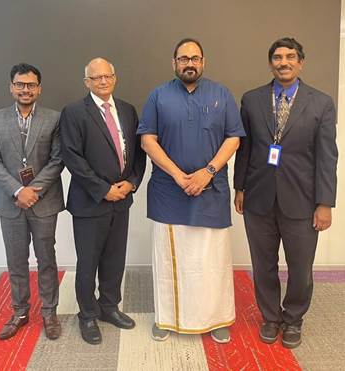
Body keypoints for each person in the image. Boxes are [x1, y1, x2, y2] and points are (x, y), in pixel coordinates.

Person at [138, 38, 245, 343]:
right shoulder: (158, 95)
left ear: (203, 62)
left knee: (211, 262)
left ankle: (216, 319)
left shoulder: (221, 94)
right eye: (183, 58)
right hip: (169, 192)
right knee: (169, 259)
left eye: (195, 58)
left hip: (211, 193)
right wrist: (179, 176)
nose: (189, 63)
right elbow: (148, 140)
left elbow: (233, 138)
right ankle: (167, 319)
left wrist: (207, 172)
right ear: (174, 63)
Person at [234, 37, 338, 349]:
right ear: (271, 63)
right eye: (278, 57)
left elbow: (327, 157)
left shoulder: (321, 103)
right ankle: (271, 317)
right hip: (258, 197)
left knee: (300, 267)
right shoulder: (251, 100)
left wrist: (325, 203)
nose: (284, 62)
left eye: (291, 57)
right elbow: (245, 149)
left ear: (301, 62)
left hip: (303, 201)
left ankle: (293, 319)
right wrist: (240, 187)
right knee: (262, 263)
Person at [60, 58, 145, 345]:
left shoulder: (128, 110)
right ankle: (87, 315)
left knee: (114, 259)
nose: (103, 81)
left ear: (115, 77)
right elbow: (72, 157)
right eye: (96, 78)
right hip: (90, 202)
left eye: (108, 75)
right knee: (88, 263)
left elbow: (137, 154)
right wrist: (103, 189)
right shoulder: (73, 112)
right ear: (87, 82)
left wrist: (131, 183)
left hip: (122, 200)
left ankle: (109, 306)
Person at [0, 63, 64, 341]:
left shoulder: (54, 119)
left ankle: (50, 312)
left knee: (46, 259)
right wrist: (19, 191)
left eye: (30, 85)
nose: (25, 89)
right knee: (16, 261)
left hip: (44, 202)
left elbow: (57, 159)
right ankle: (19, 311)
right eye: (20, 84)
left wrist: (34, 191)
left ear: (39, 88)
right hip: (10, 203)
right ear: (11, 87)